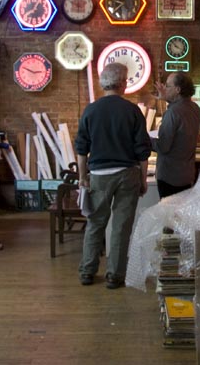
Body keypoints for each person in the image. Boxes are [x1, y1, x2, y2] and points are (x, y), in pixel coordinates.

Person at [74, 62, 151, 289]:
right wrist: (143, 178)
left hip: (99, 174)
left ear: (102, 83)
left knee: (95, 222)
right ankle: (114, 276)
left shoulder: (91, 110)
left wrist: (82, 176)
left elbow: (81, 149)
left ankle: (87, 271)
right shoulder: (132, 111)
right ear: (124, 84)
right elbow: (142, 151)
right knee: (121, 226)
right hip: (127, 174)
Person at [152, 71, 200, 198]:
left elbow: (163, 146)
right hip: (187, 175)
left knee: (168, 215)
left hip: (170, 177)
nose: (165, 88)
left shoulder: (173, 113)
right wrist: (166, 98)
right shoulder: (195, 108)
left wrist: (144, 138)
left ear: (178, 89)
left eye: (168, 86)